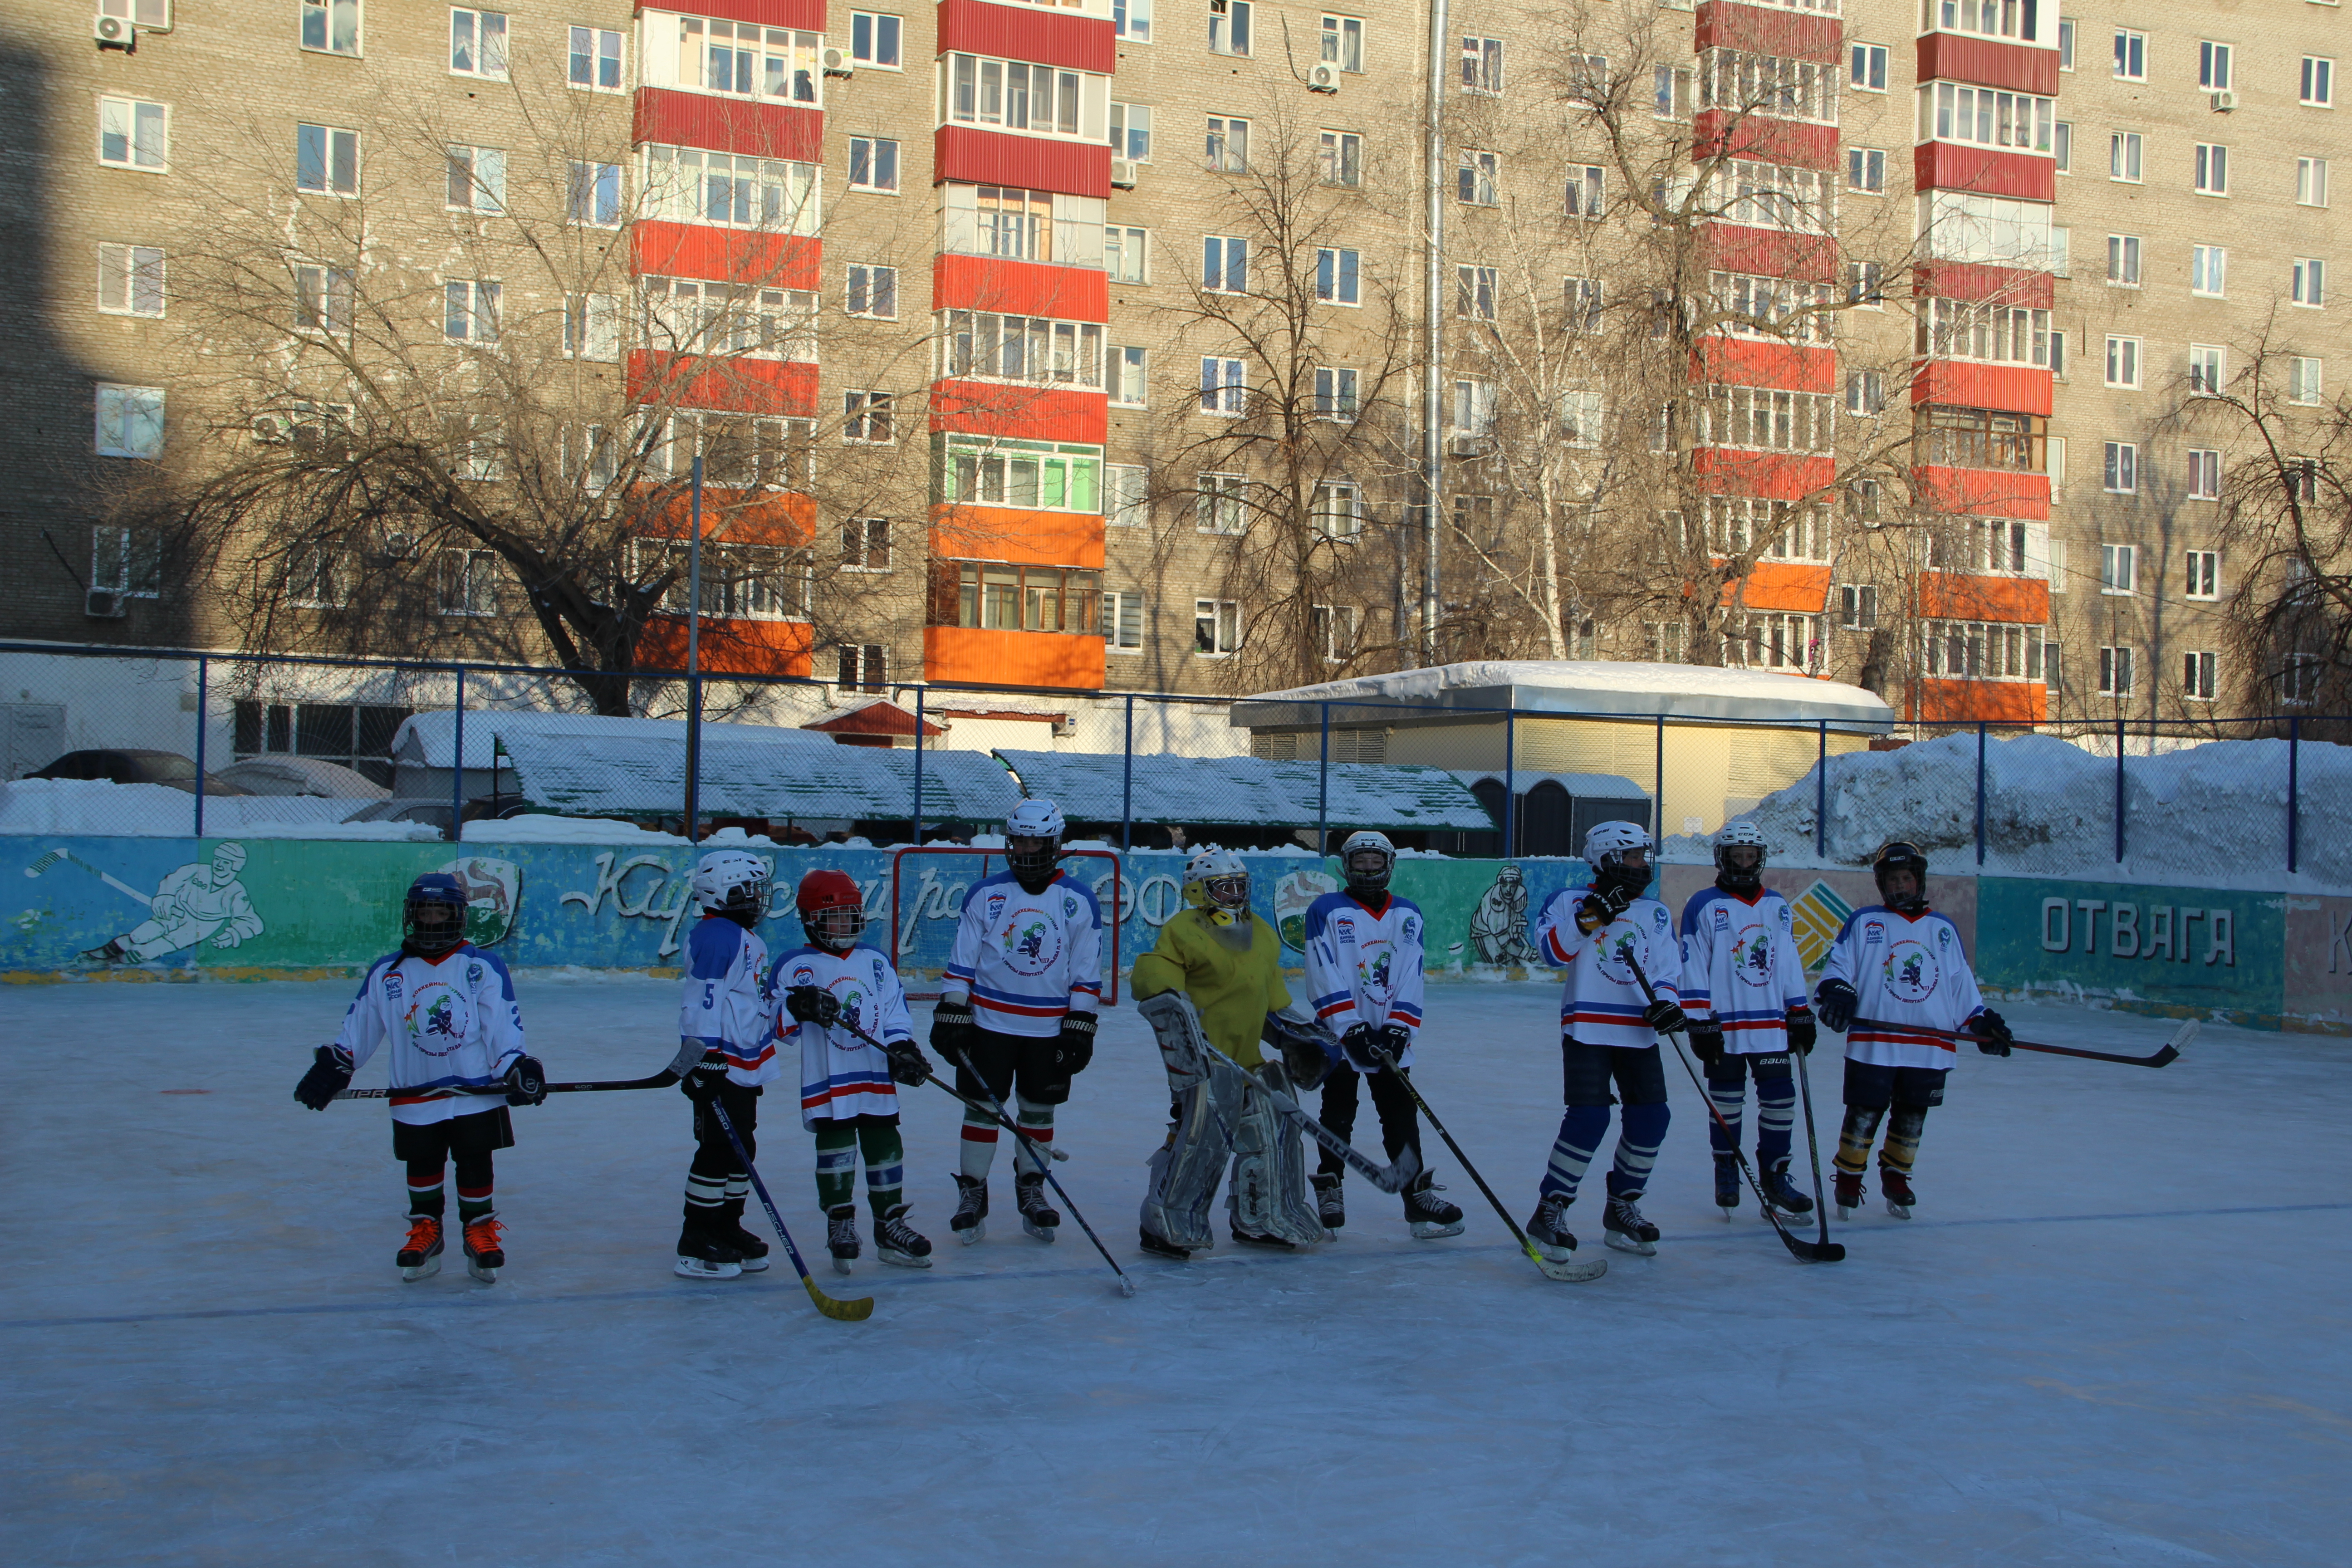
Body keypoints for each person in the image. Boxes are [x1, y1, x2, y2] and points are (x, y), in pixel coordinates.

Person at [293, 872, 545, 1283]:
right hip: (415, 1092)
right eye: (425, 911)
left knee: (476, 1160)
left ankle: (479, 1228)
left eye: (441, 911)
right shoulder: (388, 972)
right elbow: (360, 1029)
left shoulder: (481, 966)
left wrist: (517, 1067)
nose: (432, 919)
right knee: (422, 1162)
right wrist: (335, 1065)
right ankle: (425, 1229)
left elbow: (502, 1028)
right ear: (412, 915)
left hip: (475, 1091)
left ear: (458, 915)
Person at [1132, 848, 1329, 1257]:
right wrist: (1170, 997)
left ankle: (1265, 1214)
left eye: (1240, 886)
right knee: (1203, 1135)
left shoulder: (1261, 932)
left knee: (1274, 1131)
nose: (1234, 894)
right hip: (1206, 1060)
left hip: (1250, 1059)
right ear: (1199, 891)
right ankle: (1168, 1217)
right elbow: (1156, 970)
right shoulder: (1185, 929)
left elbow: (1272, 1000)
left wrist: (1298, 1038)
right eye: (1224, 887)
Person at [932, 798, 1102, 1244]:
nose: (1026, 850)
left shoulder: (1079, 901)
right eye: (1019, 841)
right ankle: (973, 1191)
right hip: (989, 1026)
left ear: (1055, 844)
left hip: (1047, 1031)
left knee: (1038, 1110)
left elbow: (1086, 975)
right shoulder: (986, 896)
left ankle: (1031, 1188)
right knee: (982, 1110)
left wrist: (1080, 1027)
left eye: (1036, 841)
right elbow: (961, 966)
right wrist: (953, 1011)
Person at [1814, 840, 2012, 1220]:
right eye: (1893, 881)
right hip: (1875, 1044)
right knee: (1864, 1112)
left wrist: (1982, 1022)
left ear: (1918, 880)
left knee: (1912, 1115)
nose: (1900, 887)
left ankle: (1896, 1175)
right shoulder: (1865, 921)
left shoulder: (1942, 929)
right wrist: (1837, 992)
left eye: (1906, 879)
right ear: (1881, 884)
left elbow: (1961, 990)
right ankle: (1848, 1177)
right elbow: (1838, 970)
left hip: (1928, 1046)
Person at [1522, 822, 1686, 1262]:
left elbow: (1667, 970)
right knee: (1589, 1119)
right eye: (1632, 857)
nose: (1641, 865)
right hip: (1588, 1028)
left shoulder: (1653, 913)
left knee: (1653, 1117)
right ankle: (1550, 1209)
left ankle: (1623, 1206)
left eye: (1643, 857)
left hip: (1639, 1029)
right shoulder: (1570, 902)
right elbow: (1552, 952)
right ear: (1607, 858)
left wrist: (1668, 1003)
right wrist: (1592, 918)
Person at [1302, 830, 1462, 1239]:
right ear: (1347, 865)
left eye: (1376, 861)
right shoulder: (1327, 909)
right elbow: (1322, 971)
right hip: (1342, 1034)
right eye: (1361, 862)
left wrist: (1397, 1028)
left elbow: (1413, 975)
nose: (1369, 869)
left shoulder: (1408, 914)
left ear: (1389, 865)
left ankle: (1415, 1196)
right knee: (1338, 1110)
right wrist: (1350, 1027)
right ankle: (1330, 1185)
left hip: (1391, 1035)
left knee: (1400, 1114)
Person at [773, 869, 934, 1271]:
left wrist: (902, 1048)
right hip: (829, 1077)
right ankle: (840, 1222)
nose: (846, 924)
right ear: (811, 920)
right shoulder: (796, 965)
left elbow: (896, 1011)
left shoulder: (875, 961)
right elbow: (770, 1019)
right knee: (837, 1149)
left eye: (852, 915)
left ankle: (890, 1224)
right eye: (836, 917)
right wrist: (796, 1006)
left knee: (885, 1146)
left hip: (875, 1074)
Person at [1678, 823, 1817, 1220]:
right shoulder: (1702, 904)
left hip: (1771, 1024)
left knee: (1781, 1101)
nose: (1743, 863)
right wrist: (1698, 1020)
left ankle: (1776, 1177)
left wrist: (1800, 1010)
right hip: (1725, 1026)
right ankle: (1727, 1166)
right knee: (1727, 1102)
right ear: (1721, 859)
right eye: (1736, 856)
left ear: (1760, 859)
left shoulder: (1777, 906)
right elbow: (1692, 966)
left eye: (1750, 856)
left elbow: (1789, 963)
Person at [672, 850, 780, 1280]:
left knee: (741, 1146)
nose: (756, 898)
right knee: (716, 1150)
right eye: (747, 890)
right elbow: (701, 999)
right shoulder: (718, 935)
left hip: (742, 1064)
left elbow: (750, 1000)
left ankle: (727, 1225)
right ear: (721, 893)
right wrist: (702, 1058)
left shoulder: (746, 937)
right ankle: (696, 1236)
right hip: (719, 1064)